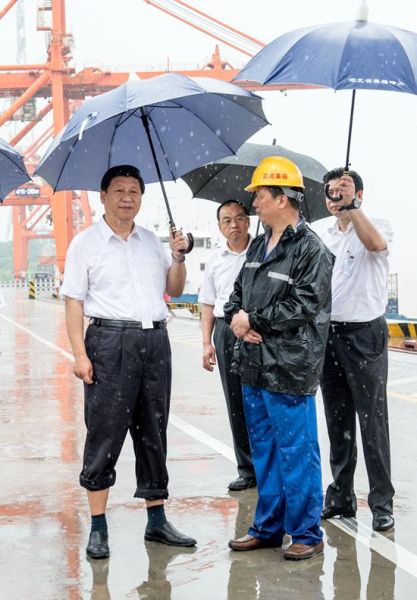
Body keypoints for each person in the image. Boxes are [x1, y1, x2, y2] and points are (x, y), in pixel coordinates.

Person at [60, 164, 197, 560]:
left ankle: (157, 520)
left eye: (134, 190)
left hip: (154, 340)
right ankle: (98, 526)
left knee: (153, 430)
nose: (127, 197)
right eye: (119, 190)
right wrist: (80, 354)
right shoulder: (84, 244)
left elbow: (173, 289)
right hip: (109, 340)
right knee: (105, 431)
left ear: (141, 197)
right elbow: (73, 301)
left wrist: (178, 257)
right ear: (102, 197)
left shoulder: (152, 241)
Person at [224, 156, 334, 560]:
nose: (254, 203)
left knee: (297, 451)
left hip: (289, 366)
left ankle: (307, 532)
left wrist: (254, 320)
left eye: (260, 195)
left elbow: (305, 304)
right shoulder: (257, 244)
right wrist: (236, 317)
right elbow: (238, 290)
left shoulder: (312, 249)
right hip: (253, 363)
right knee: (265, 449)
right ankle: (267, 527)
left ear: (284, 198)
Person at [319, 168, 395, 532]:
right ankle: (341, 497)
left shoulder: (376, 223)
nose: (335, 198)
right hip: (328, 336)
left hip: (365, 334)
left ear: (358, 193)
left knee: (372, 421)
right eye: (330, 193)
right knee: (337, 420)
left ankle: (381, 502)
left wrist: (354, 208)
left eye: (342, 191)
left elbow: (375, 245)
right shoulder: (322, 236)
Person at [199, 200, 256, 491]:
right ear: (220, 226)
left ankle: (268, 465)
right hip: (224, 332)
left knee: (260, 400)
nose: (234, 225)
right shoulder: (215, 259)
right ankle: (246, 469)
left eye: (240, 218)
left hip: (257, 331)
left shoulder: (262, 252)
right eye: (227, 220)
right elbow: (207, 303)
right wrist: (206, 343)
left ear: (249, 221)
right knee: (235, 401)